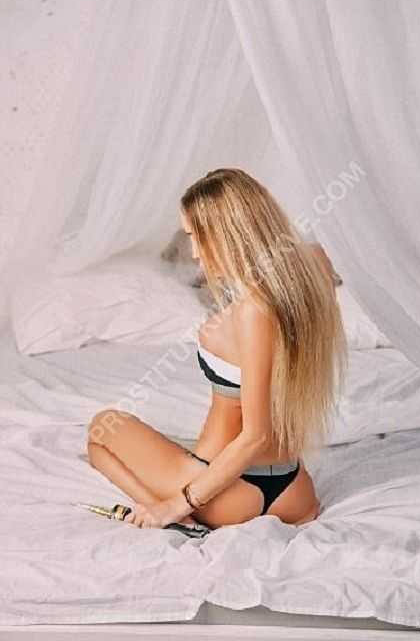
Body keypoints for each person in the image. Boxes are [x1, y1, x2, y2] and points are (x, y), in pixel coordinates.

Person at [87, 168, 348, 530]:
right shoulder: (310, 270)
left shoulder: (254, 312)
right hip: (296, 492)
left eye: (196, 236)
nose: (194, 253)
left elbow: (255, 436)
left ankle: (172, 514)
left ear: (226, 234)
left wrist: (178, 503)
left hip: (226, 495)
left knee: (102, 429)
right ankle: (173, 507)